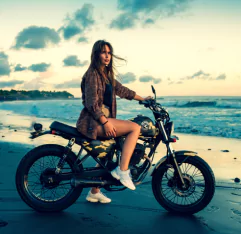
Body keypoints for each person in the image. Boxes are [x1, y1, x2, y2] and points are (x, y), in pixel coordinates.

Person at [76, 40, 152, 203]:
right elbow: (91, 103)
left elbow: (122, 90)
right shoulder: (92, 74)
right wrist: (105, 122)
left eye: (109, 53)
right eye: (103, 52)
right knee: (134, 128)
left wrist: (143, 98)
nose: (107, 56)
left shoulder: (106, 75)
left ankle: (94, 191)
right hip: (93, 122)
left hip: (101, 121)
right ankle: (123, 170)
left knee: (109, 151)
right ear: (96, 54)